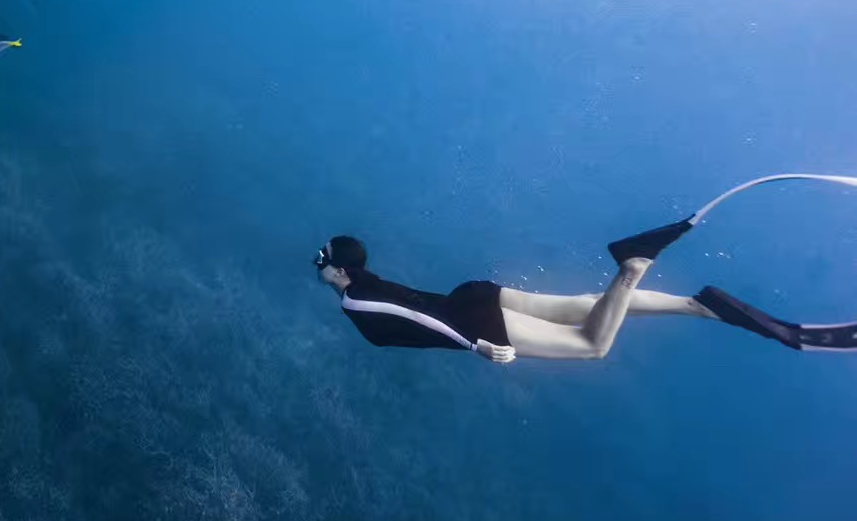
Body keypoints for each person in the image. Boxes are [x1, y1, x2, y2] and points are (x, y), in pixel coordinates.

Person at [315, 209, 857, 362]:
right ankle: (700, 307)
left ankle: (632, 265)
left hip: (470, 320)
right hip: (471, 295)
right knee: (584, 305)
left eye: (322, 260)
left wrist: (475, 346)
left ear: (340, 271)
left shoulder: (356, 298)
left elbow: (418, 321)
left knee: (591, 343)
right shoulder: (364, 282)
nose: (317, 265)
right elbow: (412, 307)